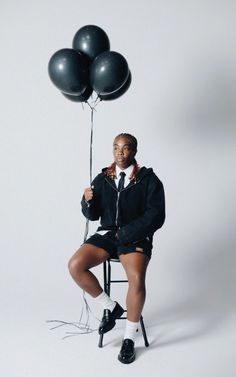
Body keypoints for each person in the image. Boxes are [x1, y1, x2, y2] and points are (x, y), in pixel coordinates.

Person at [68, 133, 165, 364]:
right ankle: (111, 308)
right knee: (75, 265)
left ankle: (129, 338)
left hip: (135, 238)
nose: (120, 152)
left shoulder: (148, 179)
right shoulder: (104, 178)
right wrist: (87, 201)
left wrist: (127, 233)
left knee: (136, 279)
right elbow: (92, 215)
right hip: (108, 235)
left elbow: (156, 216)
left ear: (134, 151)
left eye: (126, 148)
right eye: (116, 148)